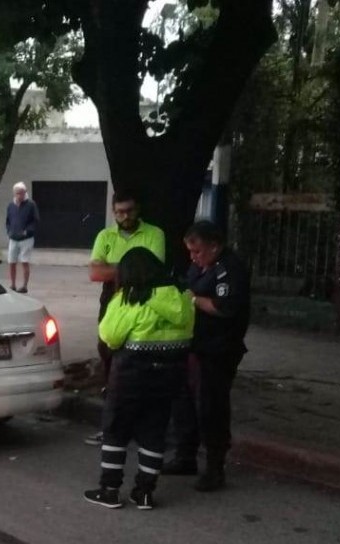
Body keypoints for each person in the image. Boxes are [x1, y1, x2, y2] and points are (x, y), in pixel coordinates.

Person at [83, 247, 193, 511]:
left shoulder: (129, 299)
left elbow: (110, 336)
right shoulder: (181, 299)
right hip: (169, 376)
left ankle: (110, 490)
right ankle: (144, 493)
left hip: (132, 375)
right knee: (155, 432)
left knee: (116, 430)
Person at [163, 220, 252, 492]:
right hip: (192, 346)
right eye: (190, 252)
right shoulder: (200, 265)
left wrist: (191, 299)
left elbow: (224, 308)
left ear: (214, 245)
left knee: (211, 407)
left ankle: (215, 468)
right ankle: (185, 456)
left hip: (218, 349)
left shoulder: (230, 269)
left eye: (198, 251)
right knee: (184, 402)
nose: (193, 257)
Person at [84, 193, 166, 446]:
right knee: (108, 353)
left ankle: (139, 426)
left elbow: (154, 271)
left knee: (138, 357)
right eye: (119, 212)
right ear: (113, 211)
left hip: (144, 298)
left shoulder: (154, 234)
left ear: (137, 209)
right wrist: (131, 268)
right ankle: (112, 424)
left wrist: (114, 269)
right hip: (112, 299)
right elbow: (95, 273)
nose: (125, 216)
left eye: (129, 211)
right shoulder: (105, 236)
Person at [5, 182, 39, 293]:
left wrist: (28, 231)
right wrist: (9, 231)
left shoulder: (31, 204)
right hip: (13, 238)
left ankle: (24, 286)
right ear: (14, 193)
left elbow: (35, 220)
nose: (20, 195)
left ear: (25, 193)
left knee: (24, 261)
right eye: (17, 193)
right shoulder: (11, 205)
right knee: (11, 262)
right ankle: (13, 284)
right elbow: (8, 221)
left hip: (26, 239)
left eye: (22, 193)